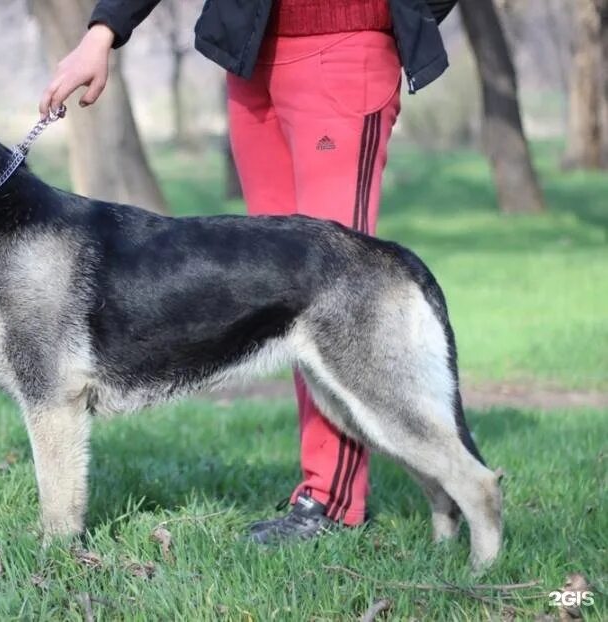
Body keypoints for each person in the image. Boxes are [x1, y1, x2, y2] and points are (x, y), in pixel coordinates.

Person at [40, 0, 457, 543]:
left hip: (344, 50)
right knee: (279, 298)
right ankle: (324, 491)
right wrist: (103, 31)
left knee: (335, 293)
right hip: (251, 58)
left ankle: (334, 502)